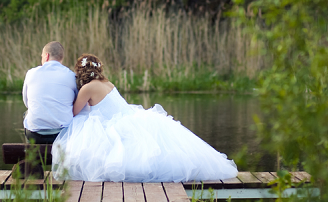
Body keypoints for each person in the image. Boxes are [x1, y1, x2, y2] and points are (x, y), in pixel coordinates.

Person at [51, 54, 238, 182]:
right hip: (129, 117)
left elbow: (74, 113)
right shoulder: (107, 83)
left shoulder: (87, 88)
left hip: (116, 124)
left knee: (79, 126)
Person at [22, 41, 78, 145]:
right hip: (62, 135)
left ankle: (31, 156)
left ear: (46, 56)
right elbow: (76, 103)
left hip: (35, 135)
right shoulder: (71, 76)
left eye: (41, 56)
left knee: (27, 113)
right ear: (61, 58)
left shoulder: (31, 73)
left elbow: (27, 103)